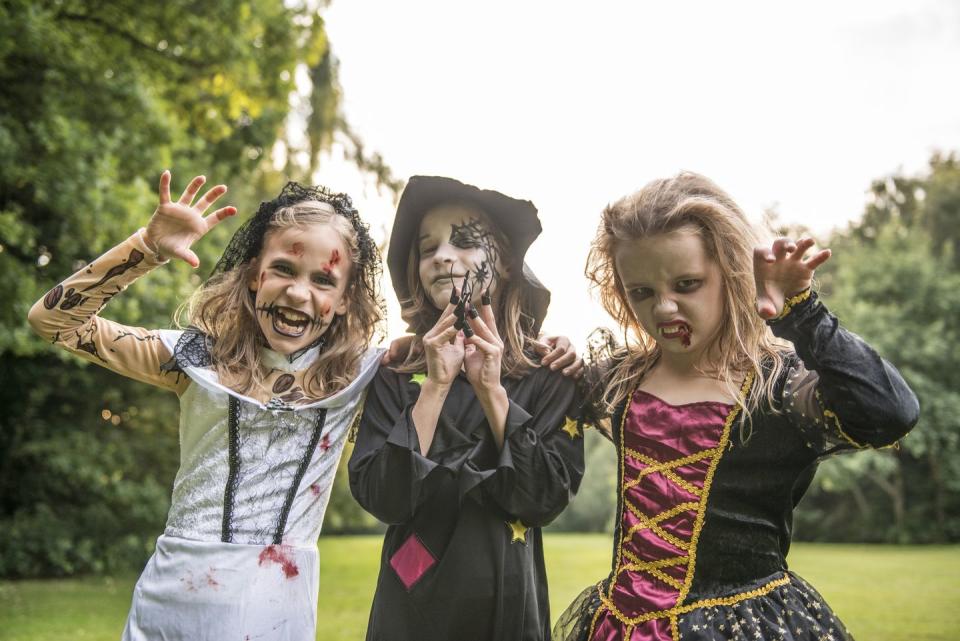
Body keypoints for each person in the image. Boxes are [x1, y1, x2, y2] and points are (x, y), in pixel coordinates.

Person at [553, 172, 919, 641]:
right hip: (618, 626)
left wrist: (802, 311)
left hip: (742, 626)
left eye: (687, 284)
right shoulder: (618, 381)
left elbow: (891, 413)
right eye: (641, 291)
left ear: (732, 274)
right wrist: (552, 355)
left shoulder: (778, 391)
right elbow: (521, 384)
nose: (664, 308)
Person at [28, 171, 386, 640]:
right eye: (283, 268)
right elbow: (53, 320)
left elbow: (468, 350)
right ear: (255, 274)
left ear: (344, 301)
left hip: (277, 609)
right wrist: (146, 248)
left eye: (323, 279)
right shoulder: (195, 358)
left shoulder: (361, 374)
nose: (299, 292)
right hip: (171, 604)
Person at [349, 176, 586, 641]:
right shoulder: (395, 372)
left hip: (508, 609)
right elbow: (385, 498)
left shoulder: (551, 374)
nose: (441, 255)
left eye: (464, 241)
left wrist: (491, 391)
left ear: (508, 263)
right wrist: (436, 385)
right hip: (409, 607)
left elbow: (541, 499)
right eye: (427, 247)